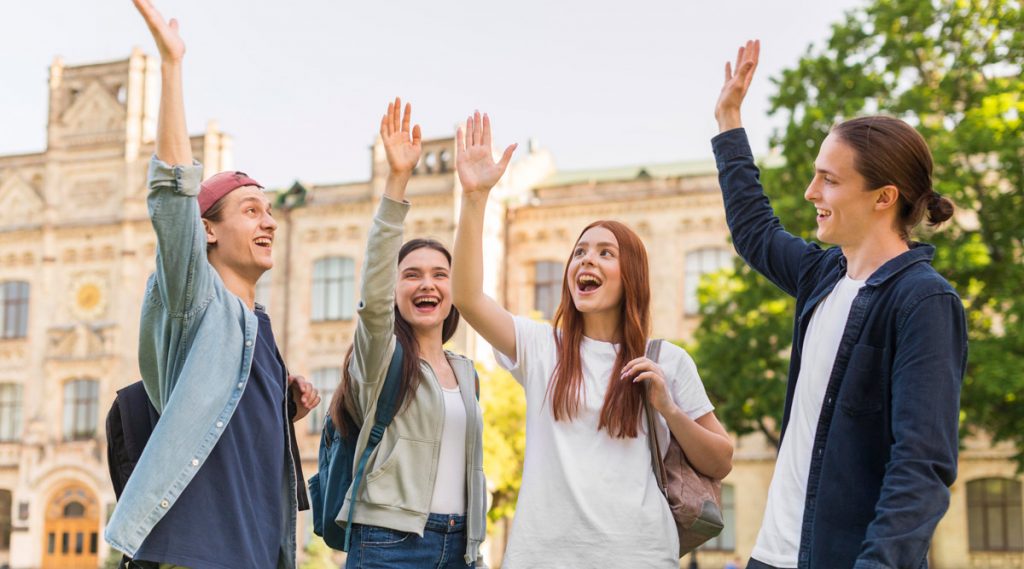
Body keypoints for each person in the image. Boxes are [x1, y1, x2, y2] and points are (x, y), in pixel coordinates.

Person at [712, 41, 967, 569]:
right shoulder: (823, 275)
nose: (810, 192)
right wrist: (729, 122)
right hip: (771, 557)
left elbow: (920, 466)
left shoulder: (923, 302)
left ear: (883, 197)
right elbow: (755, 231)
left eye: (829, 179)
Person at [451, 111, 733, 568]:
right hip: (543, 557)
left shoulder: (668, 361)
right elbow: (466, 297)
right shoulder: (543, 348)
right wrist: (476, 197)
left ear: (632, 277)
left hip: (639, 555)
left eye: (605, 253)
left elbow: (721, 460)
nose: (587, 260)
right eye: (579, 252)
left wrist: (668, 408)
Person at [104, 1, 321, 567]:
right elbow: (173, 193)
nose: (269, 221)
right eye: (251, 210)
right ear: (207, 232)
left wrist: (279, 408)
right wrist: (172, 66)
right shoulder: (193, 302)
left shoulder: (260, 331)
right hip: (194, 556)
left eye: (270, 211)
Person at [330, 99, 487, 569]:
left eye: (440, 275)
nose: (427, 284)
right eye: (412, 274)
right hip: (389, 542)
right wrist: (397, 181)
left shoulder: (466, 372)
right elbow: (372, 299)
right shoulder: (382, 356)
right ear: (396, 290)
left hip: (459, 545)